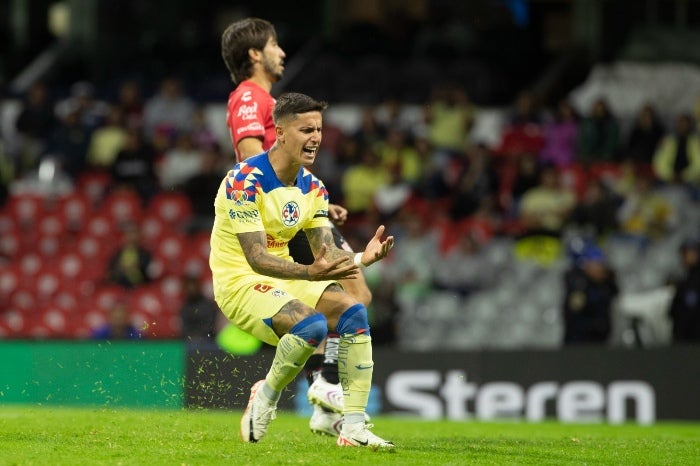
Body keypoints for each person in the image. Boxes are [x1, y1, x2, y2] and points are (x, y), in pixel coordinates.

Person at [209, 92, 395, 448]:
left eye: (319, 129)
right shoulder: (244, 180)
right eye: (305, 129)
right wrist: (311, 274)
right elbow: (257, 259)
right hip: (240, 282)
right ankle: (266, 395)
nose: (315, 138)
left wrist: (360, 259)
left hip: (287, 275)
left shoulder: (313, 188)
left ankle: (354, 427)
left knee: (352, 310)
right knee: (309, 325)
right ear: (279, 132)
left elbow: (324, 255)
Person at [220, 17, 373, 437]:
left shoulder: (266, 98)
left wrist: (312, 202)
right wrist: (280, 200)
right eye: (273, 44)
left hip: (290, 205)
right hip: (273, 211)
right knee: (354, 293)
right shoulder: (249, 96)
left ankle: (324, 396)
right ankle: (324, 385)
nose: (281, 52)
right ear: (255, 54)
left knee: (349, 298)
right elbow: (253, 158)